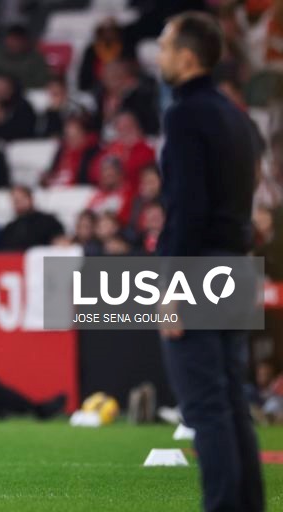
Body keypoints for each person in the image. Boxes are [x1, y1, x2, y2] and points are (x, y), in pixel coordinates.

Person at [156, 12, 265, 511]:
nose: (158, 55)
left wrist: (171, 286)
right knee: (232, 403)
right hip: (238, 266)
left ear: (187, 55)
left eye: (164, 45)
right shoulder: (236, 116)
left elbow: (187, 207)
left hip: (199, 268)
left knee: (205, 406)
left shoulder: (184, 116)